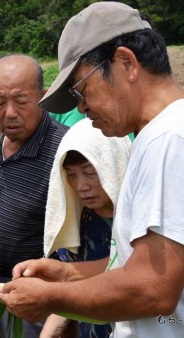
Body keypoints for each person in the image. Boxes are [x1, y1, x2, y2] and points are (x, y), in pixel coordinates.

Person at [0, 1, 184, 337]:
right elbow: (142, 265)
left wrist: (52, 298)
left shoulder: (172, 141)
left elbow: (151, 288)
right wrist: (68, 275)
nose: (82, 107)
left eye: (82, 90)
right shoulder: (178, 130)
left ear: (126, 63)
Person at [0, 54, 68, 337]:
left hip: (33, 297)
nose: (10, 113)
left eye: (21, 101)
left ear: (43, 96)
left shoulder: (64, 151)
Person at [42, 118, 131, 338]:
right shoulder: (79, 222)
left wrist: (65, 275)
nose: (81, 186)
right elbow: (70, 291)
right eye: (71, 175)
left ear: (112, 165)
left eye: (90, 172)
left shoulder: (137, 222)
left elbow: (130, 272)